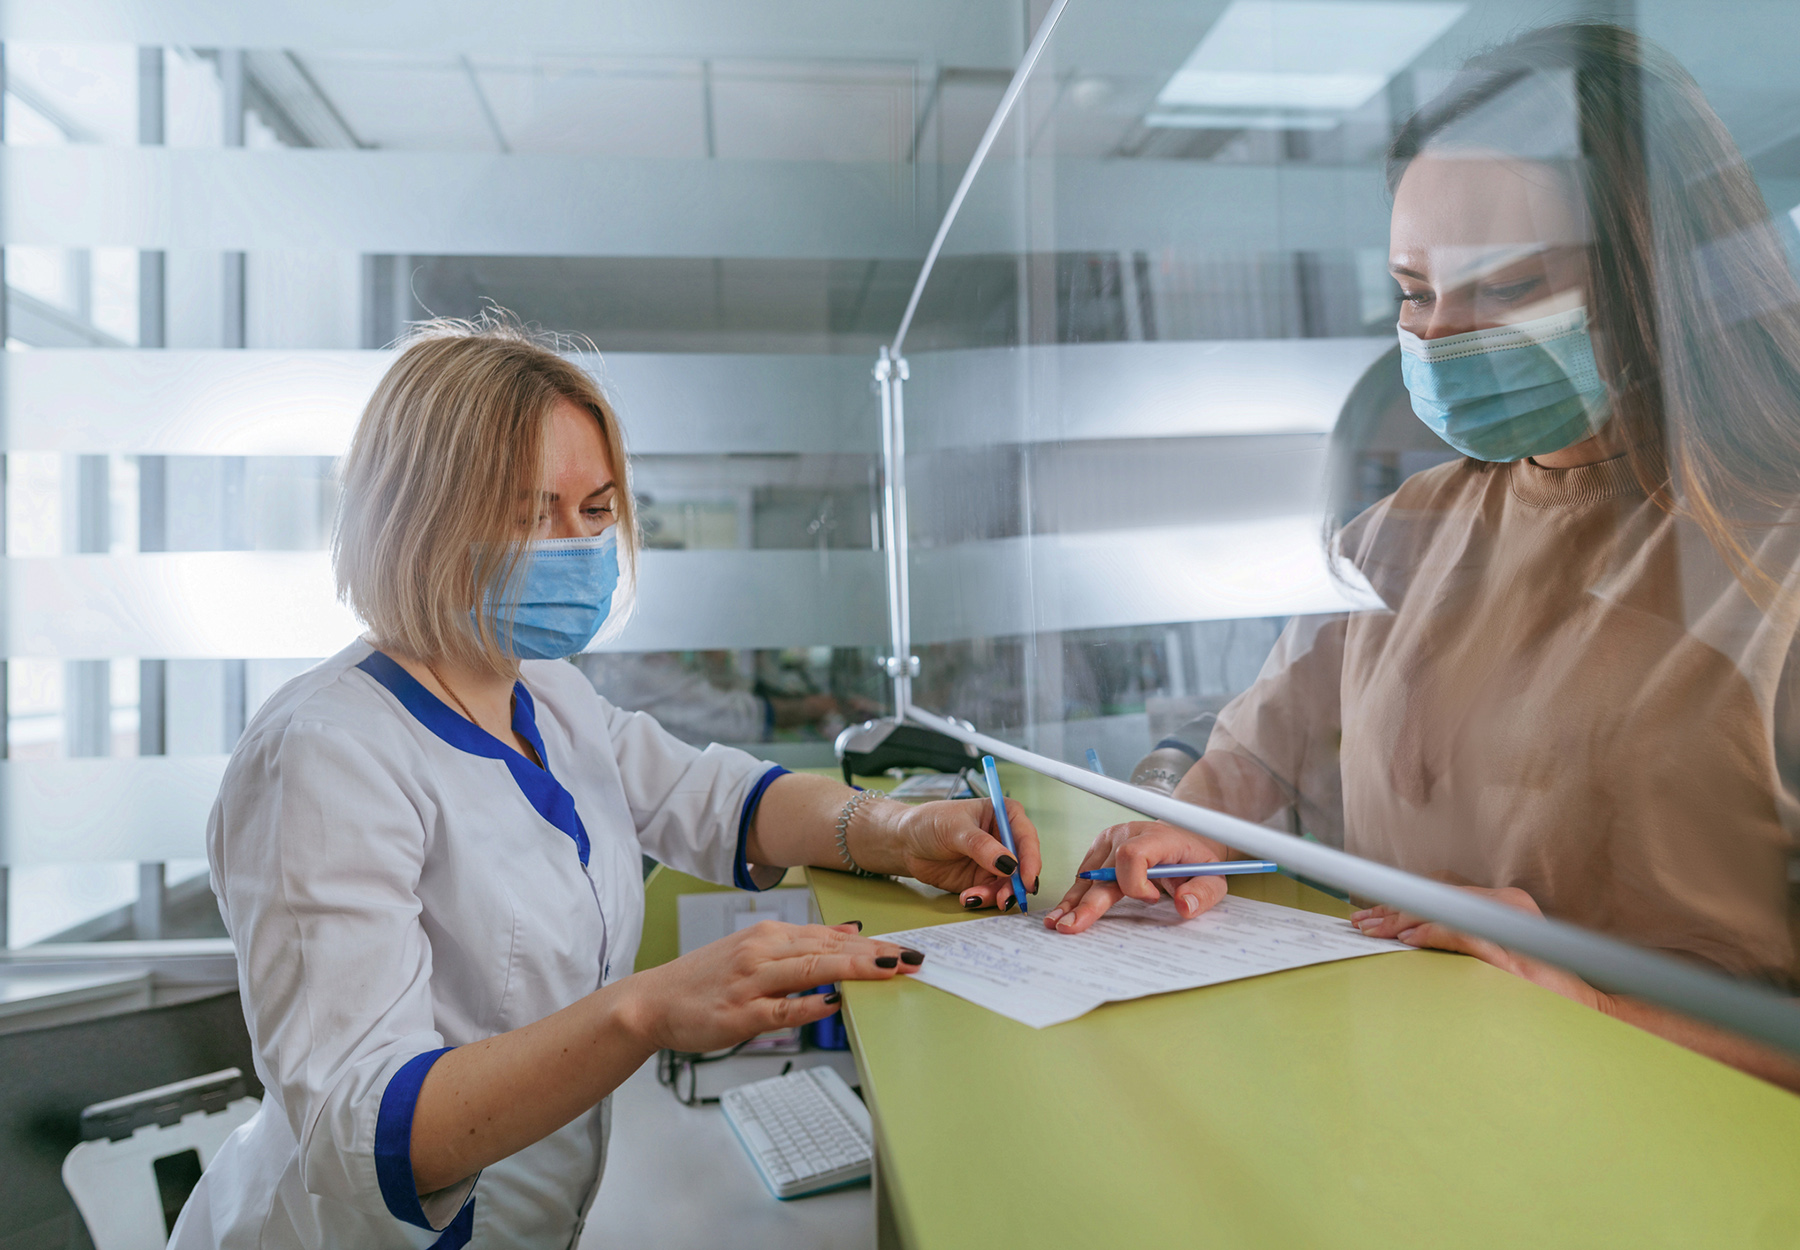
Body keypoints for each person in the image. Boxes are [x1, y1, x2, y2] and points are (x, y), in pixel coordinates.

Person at [169, 317, 1040, 1247]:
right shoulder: (323, 754)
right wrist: (646, 1013)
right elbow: (362, 1129)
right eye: (525, 510)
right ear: (414, 513)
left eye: (595, 510)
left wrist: (896, 830)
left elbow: (717, 800)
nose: (575, 544)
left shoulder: (545, 693)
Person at [1046, 23, 1800, 1090]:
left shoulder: (1773, 555)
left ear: (1656, 278)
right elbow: (1259, 759)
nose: (1443, 335)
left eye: (1504, 287)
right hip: (1405, 1107)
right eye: (1414, 291)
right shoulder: (1398, 537)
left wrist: (1592, 1006)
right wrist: (1193, 826)